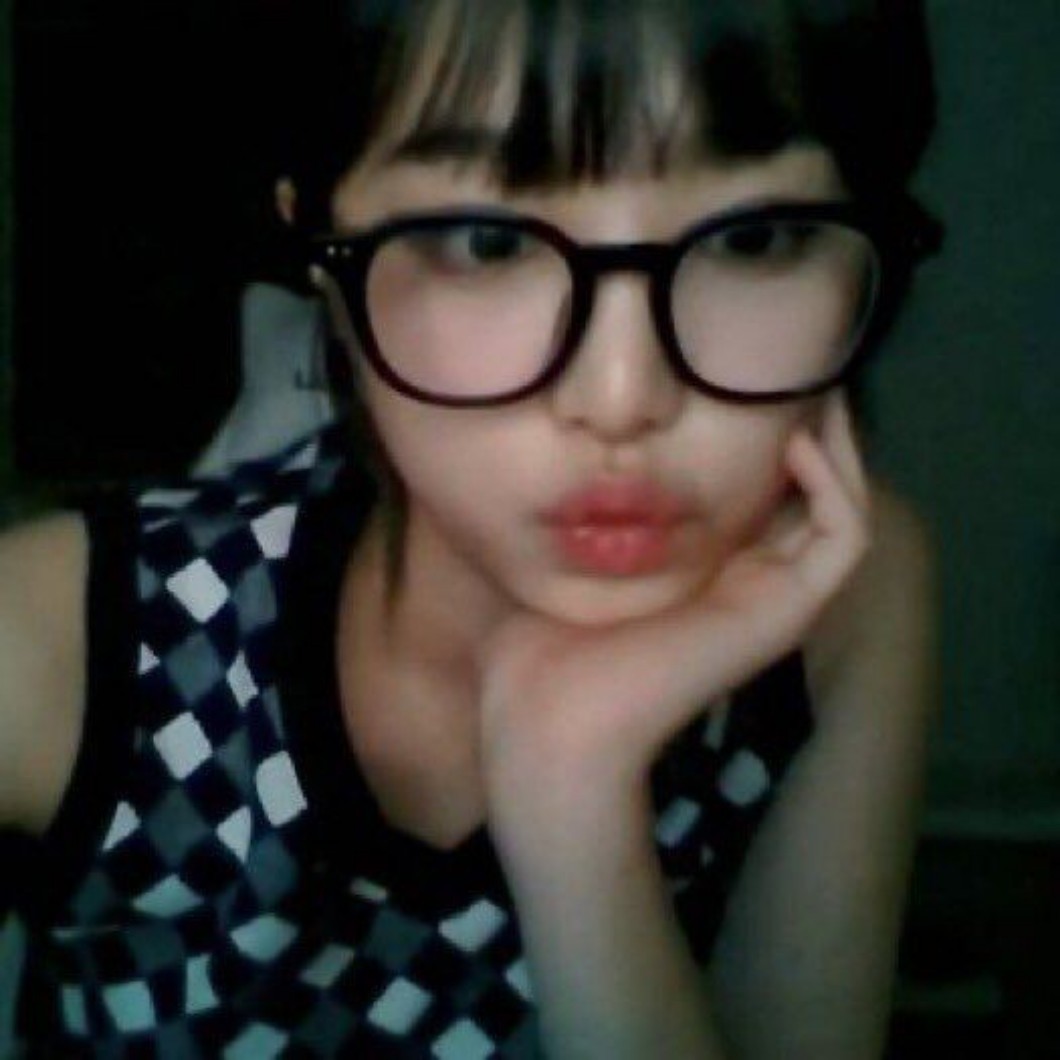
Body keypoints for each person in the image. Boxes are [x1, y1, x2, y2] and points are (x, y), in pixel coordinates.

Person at [0, 0, 943, 1055]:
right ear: (322, 256)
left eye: (754, 237)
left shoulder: (834, 593)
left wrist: (570, 791)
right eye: (485, 241)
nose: (621, 395)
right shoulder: (55, 648)